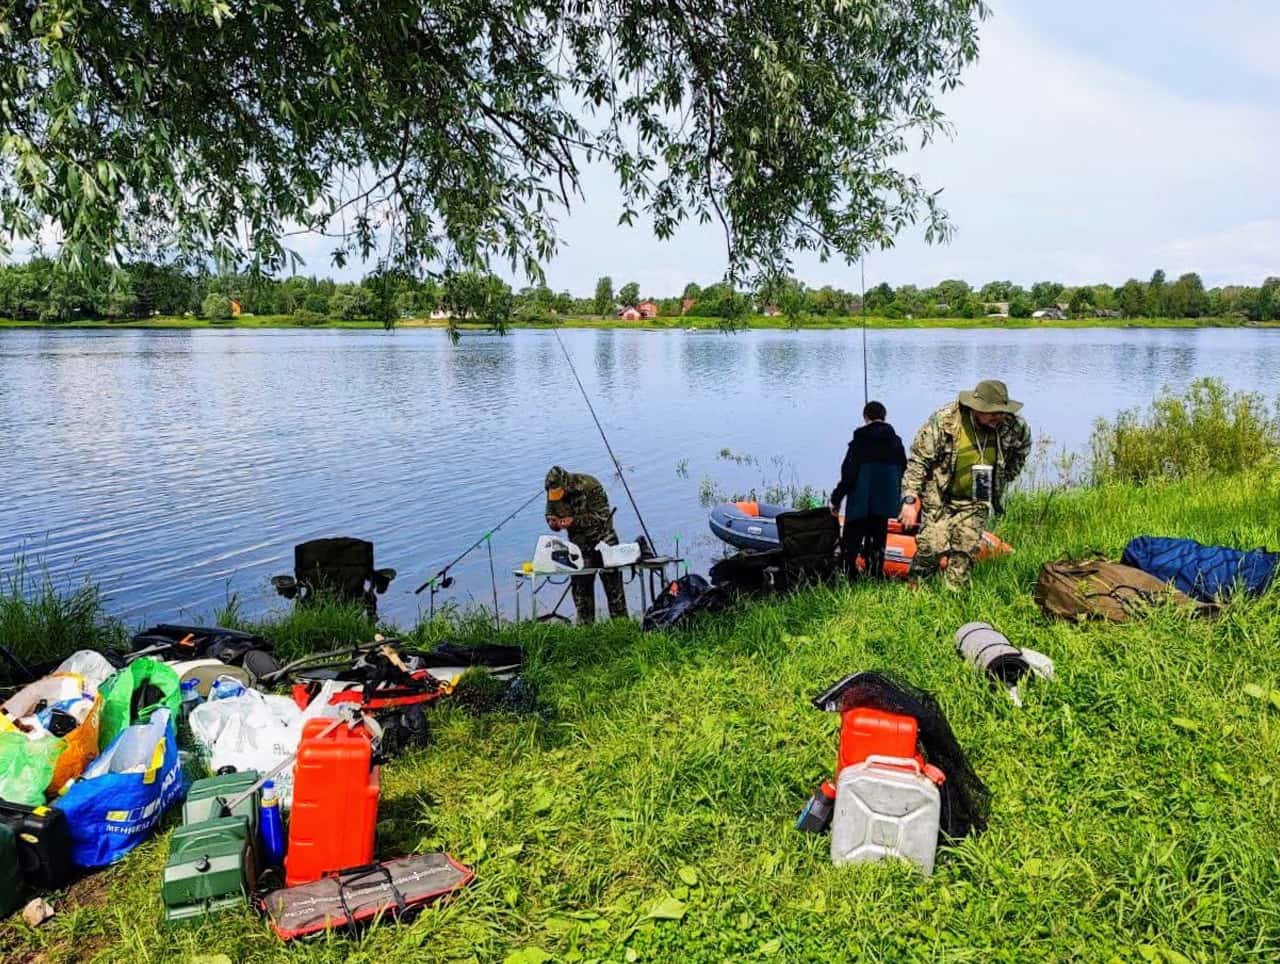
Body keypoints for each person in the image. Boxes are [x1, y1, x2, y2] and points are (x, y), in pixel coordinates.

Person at [899, 379, 1031, 590]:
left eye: (1002, 412)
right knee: (932, 547)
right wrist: (909, 498)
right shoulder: (945, 421)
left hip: (977, 497)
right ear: (976, 408)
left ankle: (955, 597)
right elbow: (919, 460)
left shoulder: (1014, 426)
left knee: (964, 552)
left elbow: (1022, 450)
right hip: (940, 496)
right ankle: (915, 590)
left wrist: (1005, 476)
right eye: (993, 413)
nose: (999, 417)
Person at [829, 400, 907, 579]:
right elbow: (904, 469)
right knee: (878, 545)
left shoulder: (859, 442)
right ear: (884, 417)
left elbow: (848, 475)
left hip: (860, 503)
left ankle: (850, 577)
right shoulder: (896, 442)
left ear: (865, 417)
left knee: (850, 546)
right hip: (884, 504)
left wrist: (836, 499)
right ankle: (875, 577)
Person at [544, 466, 628, 624]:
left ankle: (622, 627)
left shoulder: (590, 485)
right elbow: (551, 516)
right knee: (581, 594)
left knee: (614, 592)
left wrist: (573, 521)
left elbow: (602, 517)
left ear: (566, 483)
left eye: (559, 492)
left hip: (604, 542)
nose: (556, 497)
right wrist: (553, 523)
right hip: (579, 548)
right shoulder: (552, 492)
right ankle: (586, 630)